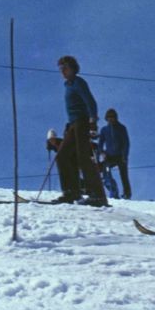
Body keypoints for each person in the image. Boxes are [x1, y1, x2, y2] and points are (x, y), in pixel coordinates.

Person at [52, 55, 108, 207]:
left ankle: (98, 196)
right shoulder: (67, 85)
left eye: (65, 67)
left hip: (82, 122)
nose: (62, 71)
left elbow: (90, 102)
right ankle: (71, 192)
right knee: (62, 155)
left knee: (83, 157)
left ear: (73, 68)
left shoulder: (78, 82)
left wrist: (93, 121)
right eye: (61, 68)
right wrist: (70, 125)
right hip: (73, 124)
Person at [97, 108, 131, 199]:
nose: (111, 119)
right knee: (106, 172)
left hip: (120, 156)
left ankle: (127, 193)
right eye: (109, 117)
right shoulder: (104, 130)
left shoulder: (121, 128)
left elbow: (126, 143)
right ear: (106, 118)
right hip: (109, 157)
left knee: (124, 175)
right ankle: (113, 190)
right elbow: (100, 144)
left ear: (116, 118)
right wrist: (102, 153)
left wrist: (124, 156)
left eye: (112, 117)